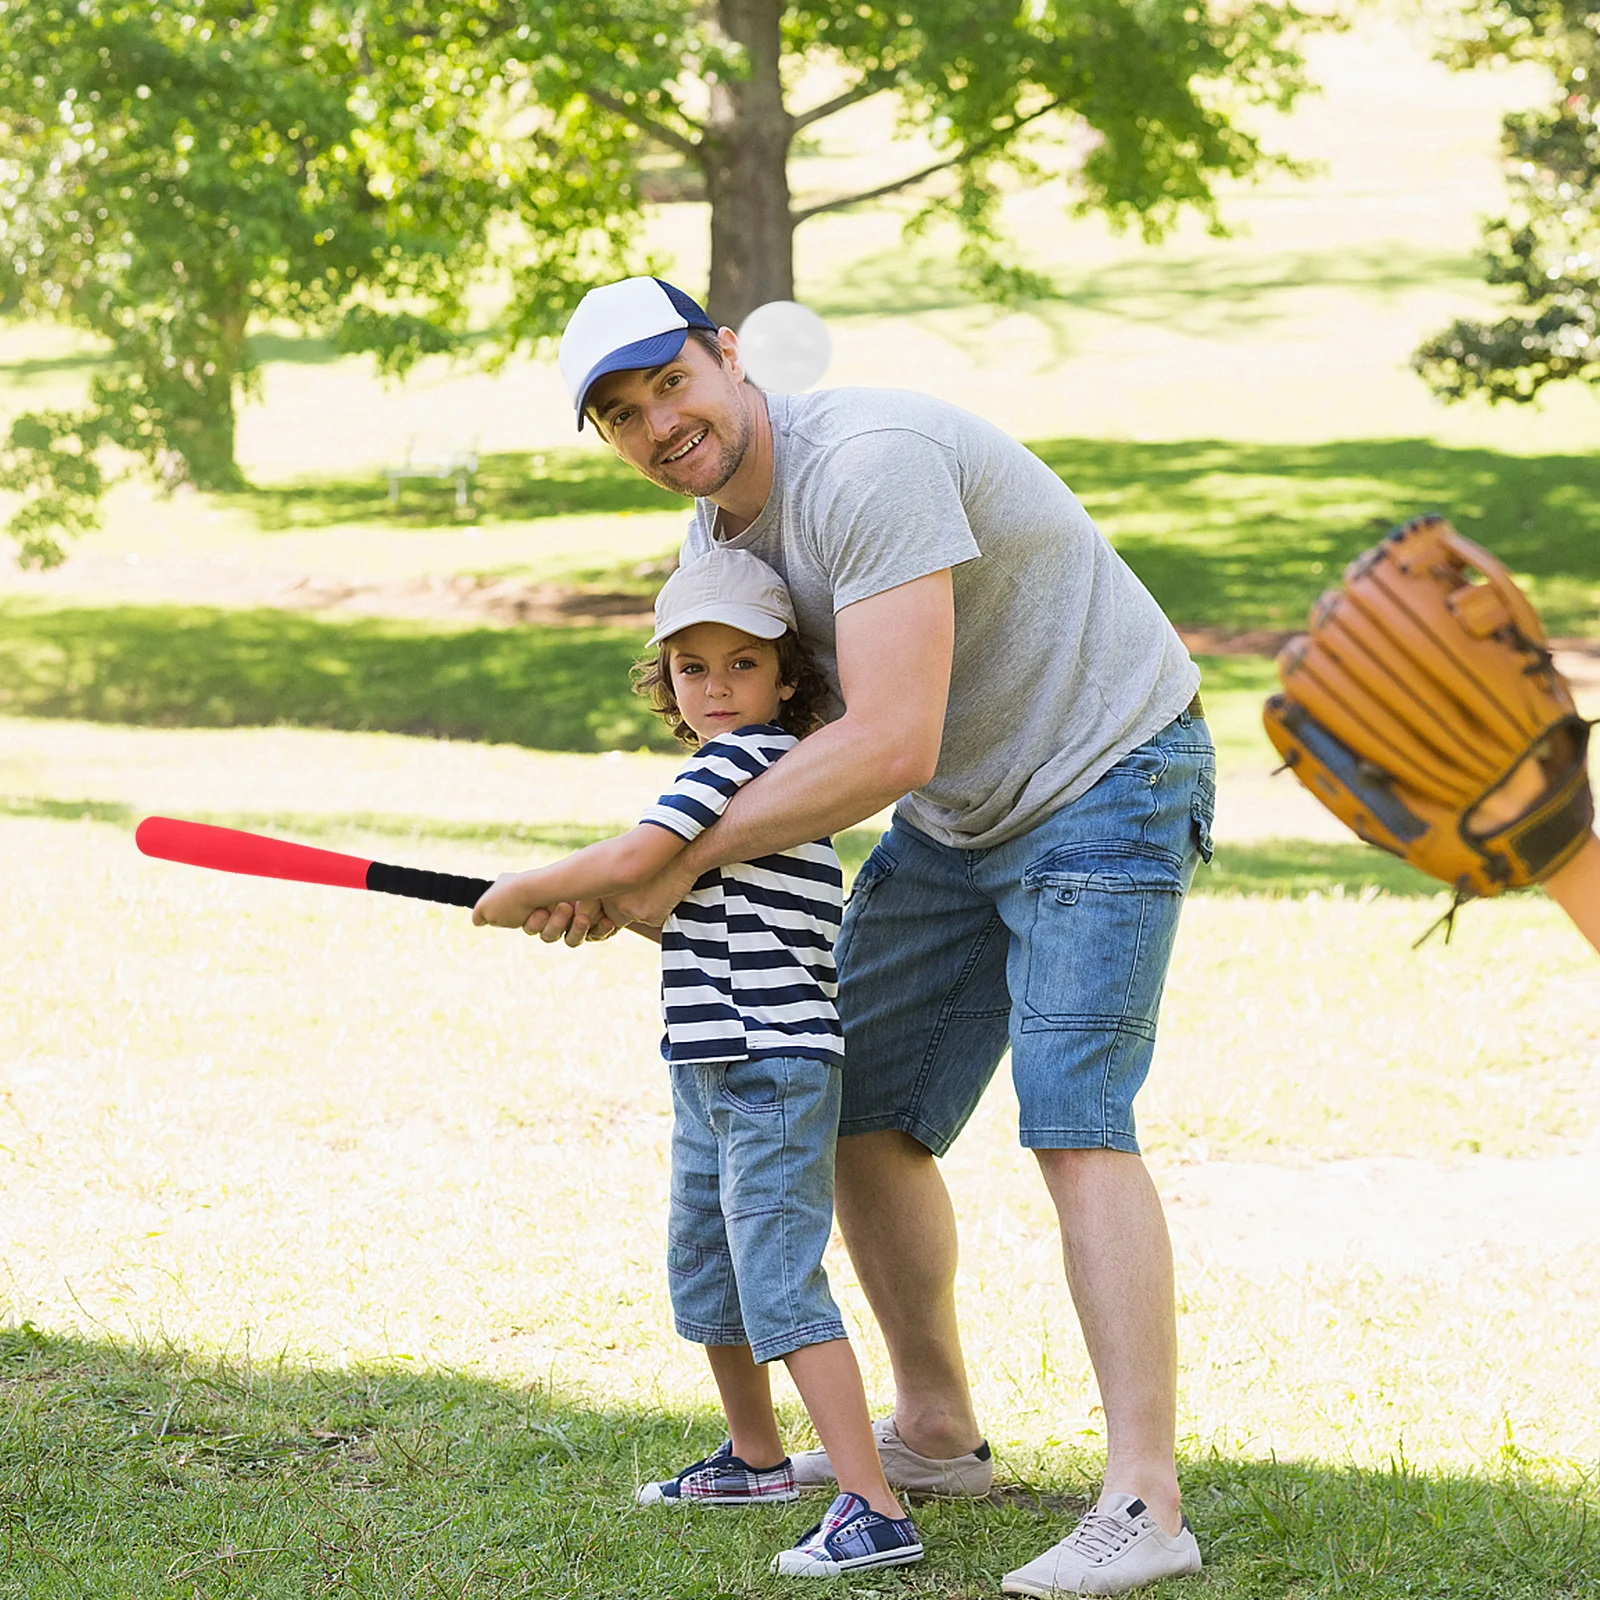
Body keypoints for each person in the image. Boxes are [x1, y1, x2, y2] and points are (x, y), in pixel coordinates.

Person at [537, 274, 1218, 1597]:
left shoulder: (869, 463)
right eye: (623, 414)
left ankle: (1145, 1499)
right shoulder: (712, 549)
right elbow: (759, 774)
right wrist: (649, 884)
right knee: (856, 1111)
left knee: (1076, 1121)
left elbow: (887, 738)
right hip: (962, 819)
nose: (659, 423)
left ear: (725, 356)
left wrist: (654, 861)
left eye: (669, 381)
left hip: (1108, 775)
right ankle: (939, 1430)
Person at [472, 547, 923, 1580]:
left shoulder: (744, 765)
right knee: (710, 1260)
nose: (715, 689)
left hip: (770, 1064)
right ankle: (758, 1456)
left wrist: (522, 886)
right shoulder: (731, 785)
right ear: (665, 678)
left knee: (776, 1275)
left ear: (787, 678)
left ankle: (872, 1503)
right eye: (691, 668)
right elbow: (661, 907)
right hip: (713, 1059)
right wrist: (587, 910)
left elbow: (634, 862)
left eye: (741, 665)